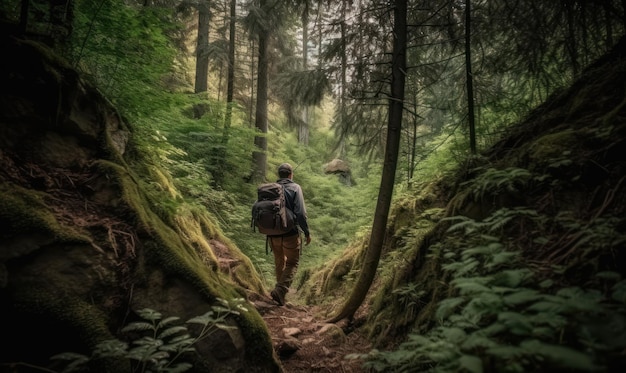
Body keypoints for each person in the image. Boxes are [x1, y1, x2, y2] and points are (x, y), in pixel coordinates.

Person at [268, 163, 311, 306]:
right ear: (290, 174)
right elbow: (300, 213)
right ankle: (280, 291)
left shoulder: (270, 189)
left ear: (279, 174)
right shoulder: (295, 188)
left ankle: (279, 295)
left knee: (279, 261)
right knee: (292, 262)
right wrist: (306, 232)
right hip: (290, 233)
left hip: (272, 234)